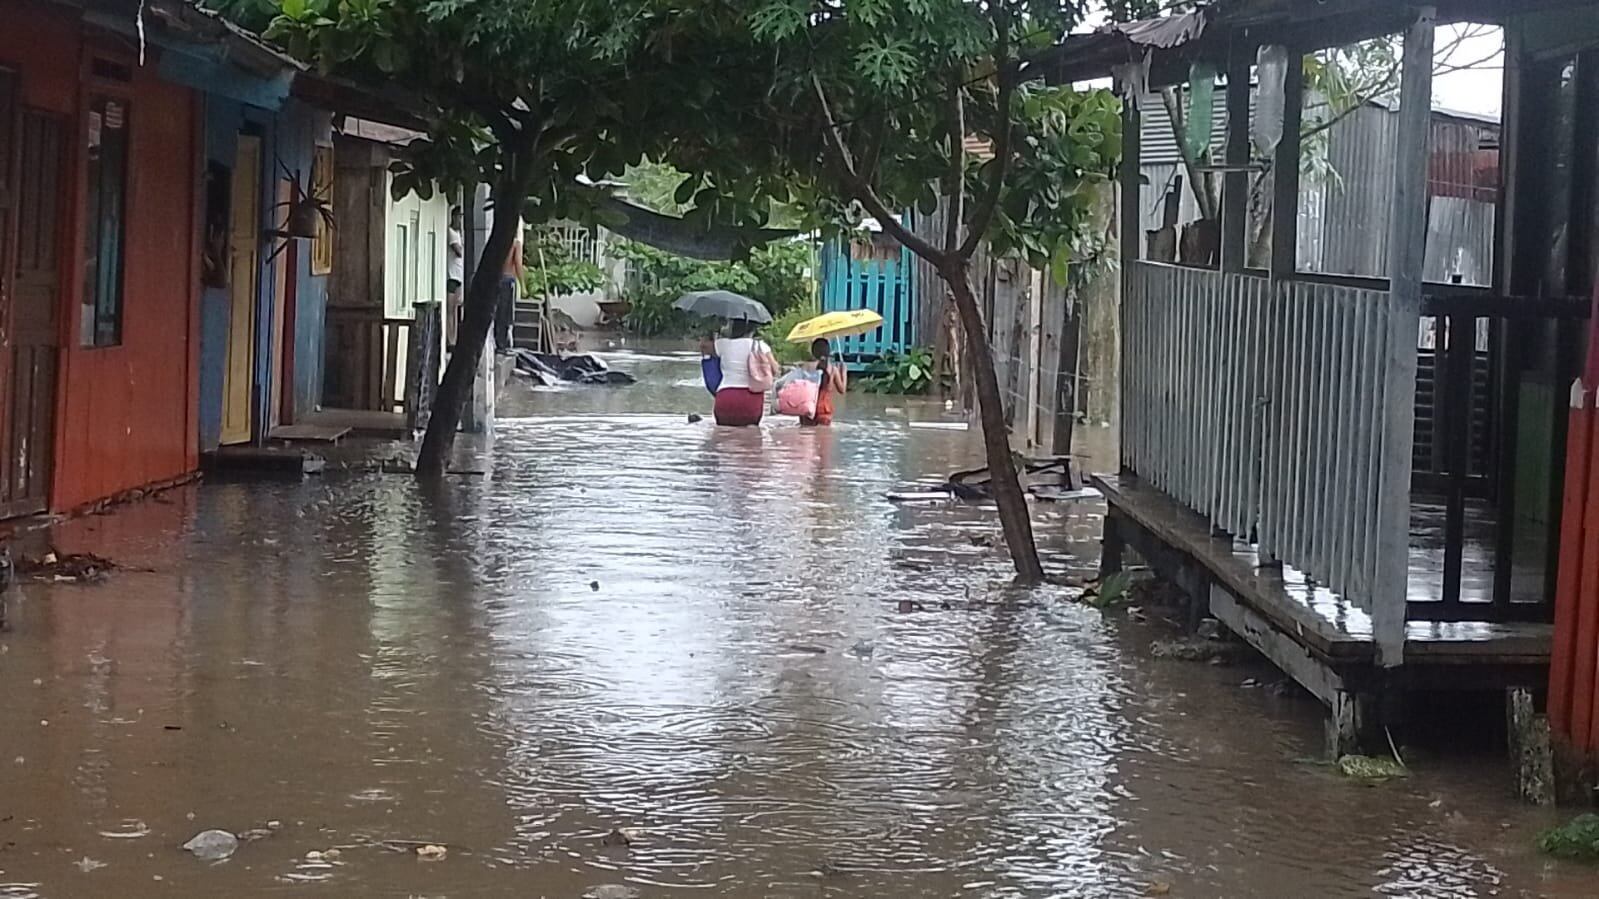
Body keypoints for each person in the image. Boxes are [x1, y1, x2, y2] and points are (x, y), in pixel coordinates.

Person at [713, 319, 776, 427]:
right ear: (752, 329)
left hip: (726, 396)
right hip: (751, 399)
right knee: (751, 439)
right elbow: (775, 369)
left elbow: (706, 350)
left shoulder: (721, 344)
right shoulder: (760, 346)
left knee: (722, 438)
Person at [800, 338, 847, 426]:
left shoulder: (806, 367)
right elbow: (842, 390)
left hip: (808, 406)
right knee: (823, 437)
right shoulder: (833, 370)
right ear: (828, 352)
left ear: (813, 352)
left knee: (806, 435)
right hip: (824, 409)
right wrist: (844, 373)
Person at [493, 226, 524, 354]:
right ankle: (503, 345)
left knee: (499, 312)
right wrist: (523, 284)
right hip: (508, 280)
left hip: (497, 279)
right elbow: (518, 264)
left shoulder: (499, 243)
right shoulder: (515, 244)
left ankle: (499, 342)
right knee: (506, 314)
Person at [446, 209, 465, 347]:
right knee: (450, 309)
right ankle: (450, 338)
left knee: (456, 308)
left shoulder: (458, 233)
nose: (460, 220)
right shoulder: (451, 233)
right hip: (451, 275)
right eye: (458, 217)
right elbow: (458, 251)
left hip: (458, 275)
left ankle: (455, 337)